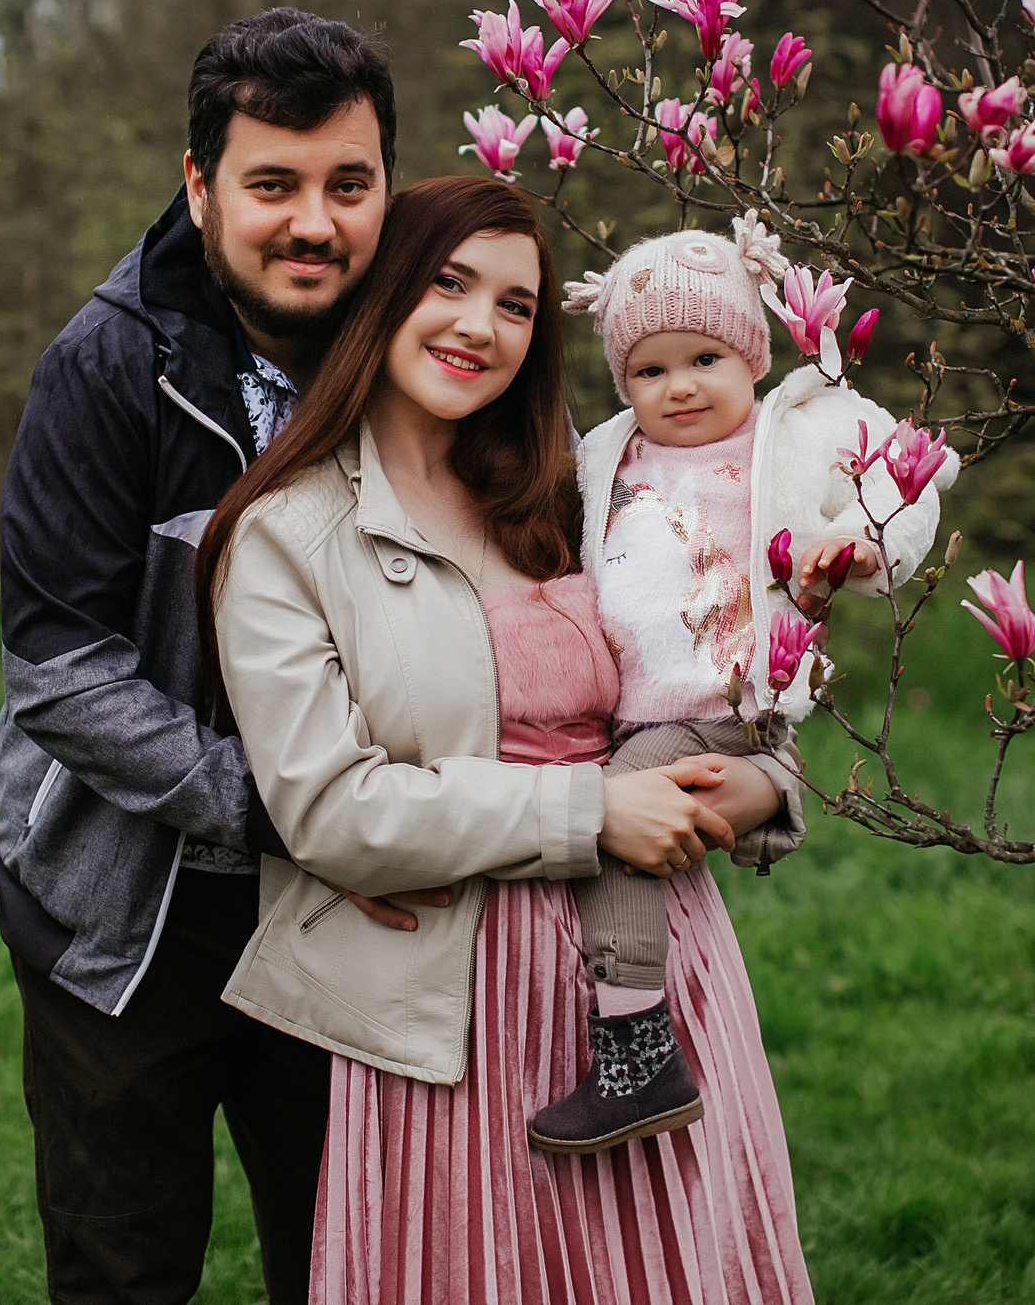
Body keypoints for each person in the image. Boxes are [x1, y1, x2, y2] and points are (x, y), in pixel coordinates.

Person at [197, 177, 814, 1304]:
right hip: (455, 996)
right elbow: (329, 810)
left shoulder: (568, 494)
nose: (480, 325)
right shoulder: (286, 536)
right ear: (383, 293)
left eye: (517, 305)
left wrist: (767, 784)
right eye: (449, 283)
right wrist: (594, 812)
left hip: (657, 959)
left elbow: (710, 670)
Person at [0, 8, 395, 1304]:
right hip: (123, 911)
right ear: (200, 184)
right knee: (124, 1269)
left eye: (348, 184)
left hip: (348, 910)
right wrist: (288, 805)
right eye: (273, 185)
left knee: (350, 1267)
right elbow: (59, 671)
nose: (313, 223)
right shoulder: (107, 367)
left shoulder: (429, 354)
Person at [533, 217, 958, 1154]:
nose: (680, 385)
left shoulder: (786, 437)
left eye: (705, 358)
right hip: (640, 708)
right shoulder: (611, 453)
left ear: (754, 358)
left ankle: (636, 1043)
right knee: (614, 800)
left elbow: (908, 482)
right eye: (650, 370)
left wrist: (847, 549)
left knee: (613, 819)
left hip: (723, 706)